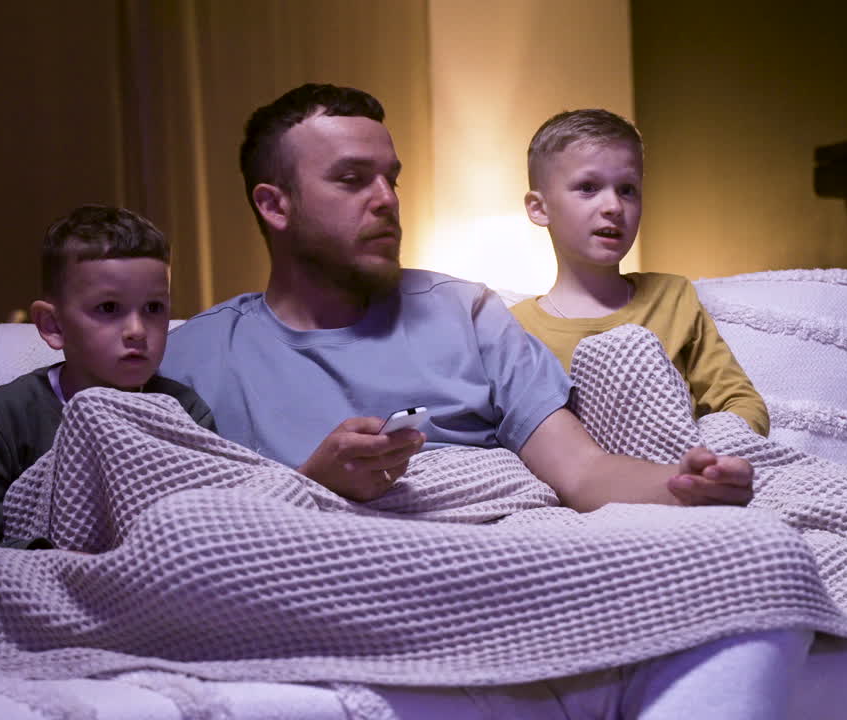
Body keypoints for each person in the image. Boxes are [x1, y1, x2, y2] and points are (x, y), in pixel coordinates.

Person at [160, 83, 752, 512]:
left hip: (498, 559)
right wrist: (312, 482)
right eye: (350, 179)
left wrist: (681, 487)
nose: (386, 198)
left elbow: (583, 471)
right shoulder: (192, 357)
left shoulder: (467, 313)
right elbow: (166, 526)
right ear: (274, 205)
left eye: (390, 178)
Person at [0, 205, 216, 569]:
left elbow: (213, 521)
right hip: (41, 591)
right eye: (109, 307)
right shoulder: (5, 418)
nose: (137, 330)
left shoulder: (184, 411)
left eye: (154, 308)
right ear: (53, 325)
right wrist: (55, 561)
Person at [510, 108, 770, 436]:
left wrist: (714, 457)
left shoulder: (674, 298)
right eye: (588, 187)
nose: (614, 206)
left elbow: (739, 401)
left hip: (683, 470)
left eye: (627, 190)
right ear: (539, 208)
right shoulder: (514, 330)